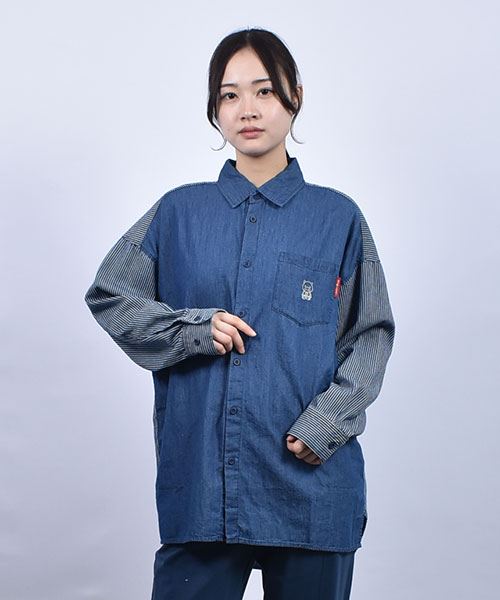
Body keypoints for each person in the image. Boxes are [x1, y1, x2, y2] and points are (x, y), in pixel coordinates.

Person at [84, 27, 396, 600]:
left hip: (310, 490)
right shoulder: (178, 213)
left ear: (295, 96)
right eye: (229, 95)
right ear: (215, 109)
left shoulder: (337, 218)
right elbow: (111, 296)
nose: (246, 109)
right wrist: (192, 330)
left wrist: (326, 423)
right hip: (202, 488)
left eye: (264, 91)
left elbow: (369, 335)